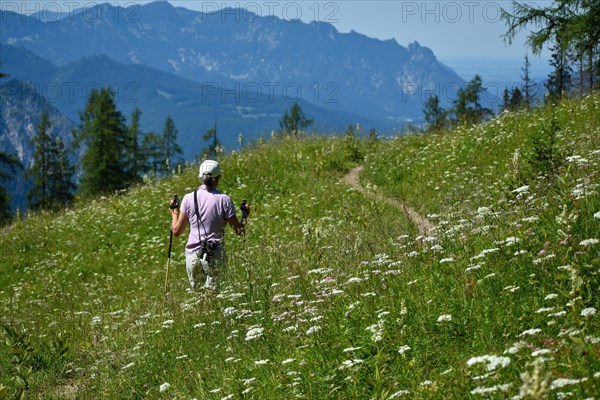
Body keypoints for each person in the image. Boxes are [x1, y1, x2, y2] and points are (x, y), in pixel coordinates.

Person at [169, 160, 246, 291]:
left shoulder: (188, 198)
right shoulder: (223, 199)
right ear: (217, 178)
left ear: (200, 178)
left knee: (199, 300)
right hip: (214, 253)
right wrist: (244, 215)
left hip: (192, 255)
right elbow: (239, 230)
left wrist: (174, 212)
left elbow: (176, 231)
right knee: (215, 297)